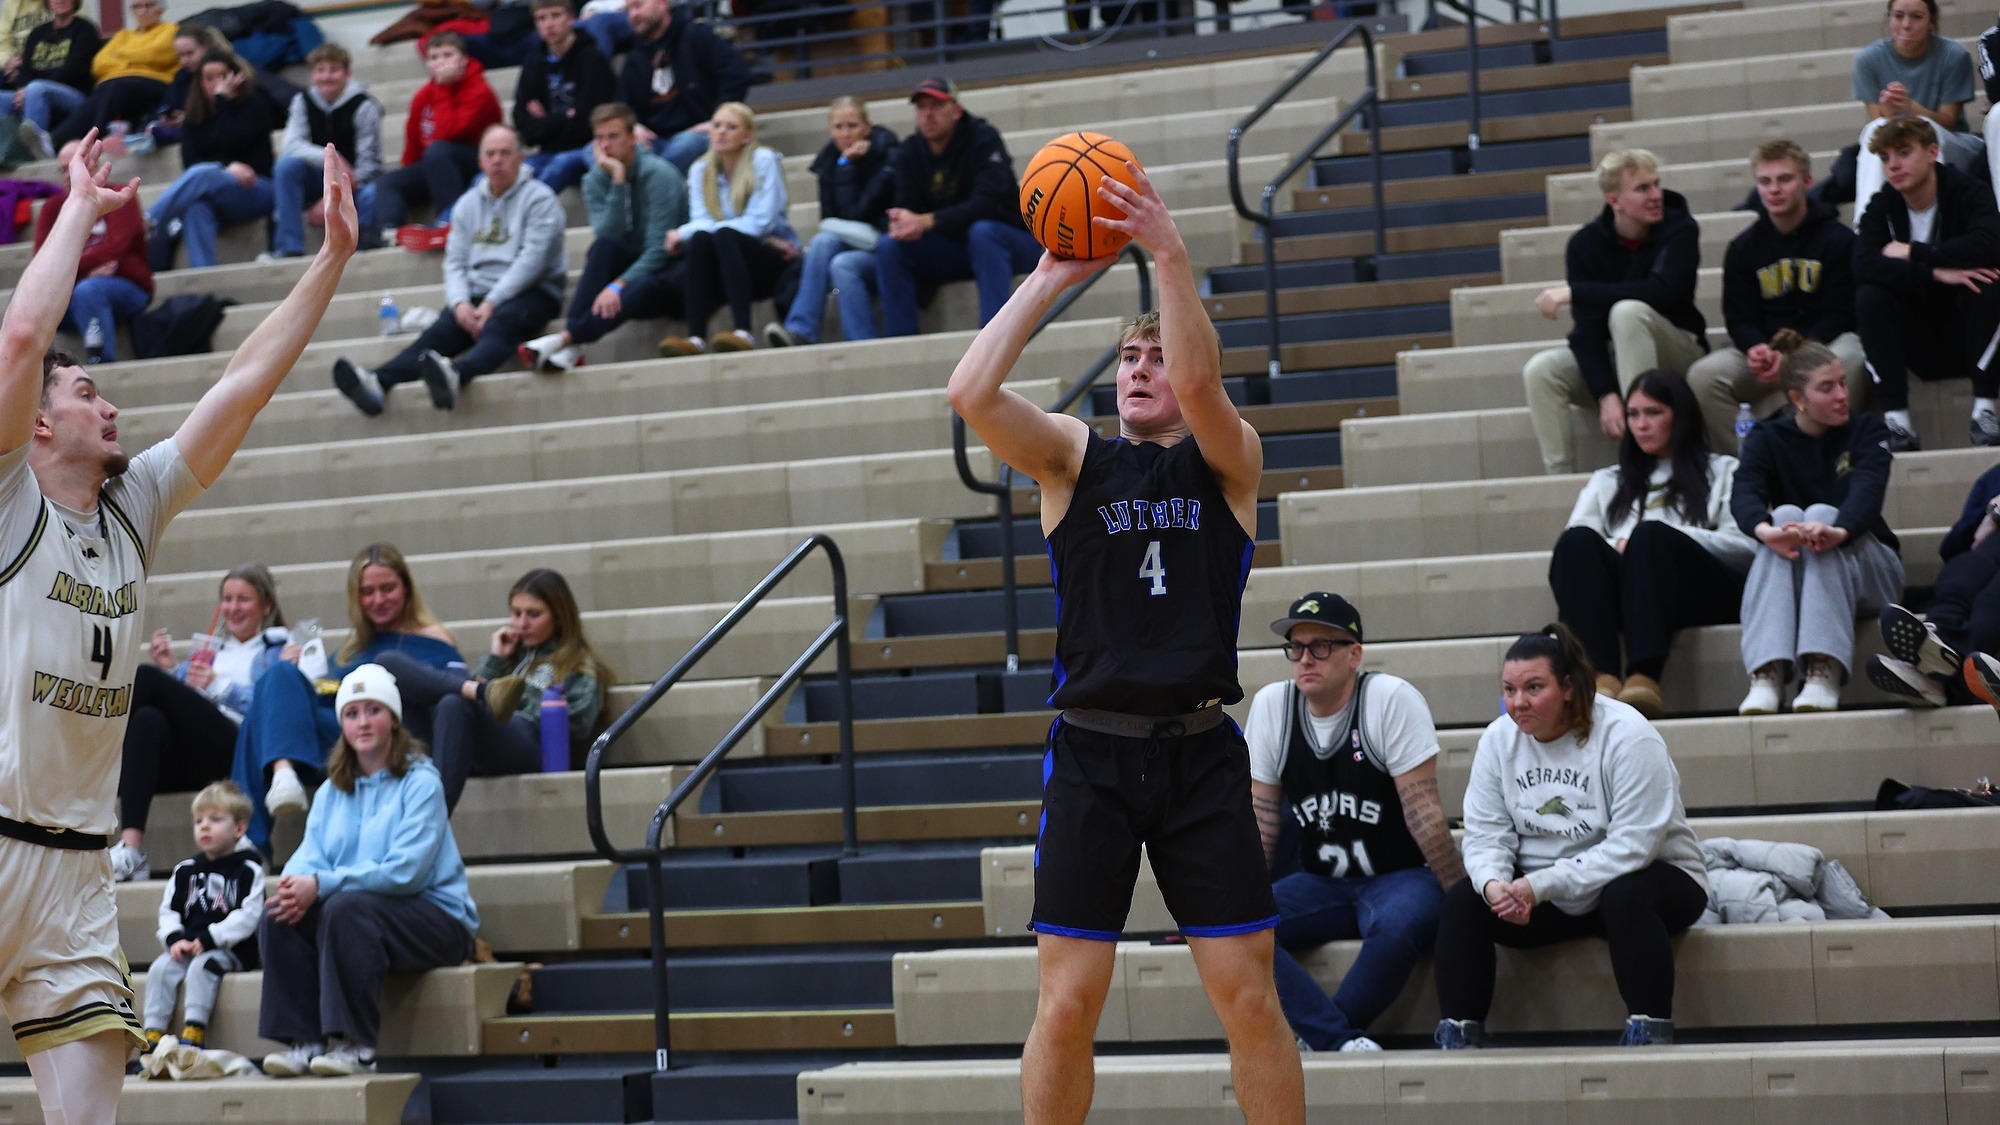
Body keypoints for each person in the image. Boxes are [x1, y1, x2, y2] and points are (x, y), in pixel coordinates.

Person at [0, 132, 353, 1125]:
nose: (110, 407)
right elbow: (23, 342)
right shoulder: (8, 499)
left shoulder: (132, 506)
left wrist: (328, 263)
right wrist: (80, 205)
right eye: (87, 394)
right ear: (36, 424)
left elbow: (240, 383)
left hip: (72, 877)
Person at [946, 162, 1304, 1121]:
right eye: (1127, 362)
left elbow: (1198, 374)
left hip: (1199, 754)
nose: (1142, 373)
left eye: (1154, 362)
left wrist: (1168, 254)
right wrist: (1054, 277)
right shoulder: (1070, 458)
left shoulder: (1229, 461)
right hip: (1095, 751)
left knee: (1250, 996)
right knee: (1067, 1003)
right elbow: (971, 391)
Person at [1434, 625, 1708, 1050]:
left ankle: (1650, 1030)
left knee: (1626, 895)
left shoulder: (1627, 735)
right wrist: (1495, 886)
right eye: (1509, 689)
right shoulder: (1497, 740)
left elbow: (1635, 845)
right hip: (1543, 895)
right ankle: (1458, 1035)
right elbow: (1486, 834)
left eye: (1533, 687)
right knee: (1464, 900)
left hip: (1653, 877)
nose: (1518, 702)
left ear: (1568, 687)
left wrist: (1540, 885)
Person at [1246, 593, 1464, 1054]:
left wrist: (1464, 902)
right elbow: (1261, 821)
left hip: (1400, 878)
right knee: (1237, 928)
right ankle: (1336, 1040)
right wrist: (1237, 900)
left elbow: (1424, 815)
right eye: (1296, 647)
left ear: (1354, 655)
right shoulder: (1272, 707)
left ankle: (1320, 1037)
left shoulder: (1389, 699)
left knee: (1399, 925)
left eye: (1321, 646)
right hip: (1321, 883)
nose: (1305, 658)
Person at [256, 664, 479, 1078]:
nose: (363, 722)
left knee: (344, 908)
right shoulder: (330, 791)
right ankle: (303, 1040)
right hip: (363, 910)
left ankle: (356, 1045)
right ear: (341, 725)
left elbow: (406, 873)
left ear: (393, 719)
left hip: (436, 918)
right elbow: (311, 855)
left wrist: (321, 884)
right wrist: (294, 886)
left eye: (373, 710)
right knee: (279, 914)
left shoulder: (422, 783)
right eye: (352, 713)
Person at [1550, 369, 1757, 720]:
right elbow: (1574, 550)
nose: (1641, 424)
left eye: (1654, 413)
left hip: (1697, 592)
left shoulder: (1724, 470)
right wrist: (1622, 544)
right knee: (1576, 542)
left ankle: (1645, 676)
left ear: (1682, 416)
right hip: (1626, 594)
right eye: (1633, 414)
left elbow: (1745, 548)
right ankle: (1601, 677)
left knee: (1650, 535)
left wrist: (1670, 538)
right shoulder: (1607, 480)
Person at [230, 542, 461, 855]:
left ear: (406, 588)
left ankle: (247, 839)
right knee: (278, 676)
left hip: (385, 737)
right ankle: (282, 777)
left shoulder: (434, 638)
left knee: (261, 711)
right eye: (367, 591)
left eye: (387, 588)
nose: (378, 600)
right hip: (332, 734)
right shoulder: (352, 649)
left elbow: (449, 699)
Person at [334, 125, 567, 415]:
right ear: (480, 160)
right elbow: (454, 261)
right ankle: (377, 381)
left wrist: (492, 302)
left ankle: (457, 374)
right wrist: (460, 303)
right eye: (490, 154)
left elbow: (533, 261)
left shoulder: (541, 199)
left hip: (534, 291)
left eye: (505, 153)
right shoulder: (468, 204)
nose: (497, 160)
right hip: (477, 292)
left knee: (500, 326)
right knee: (438, 334)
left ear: (520, 158)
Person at [1733, 332, 1904, 714]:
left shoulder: (1867, 430)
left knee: (1822, 515)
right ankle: (1768, 672)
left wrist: (1838, 531)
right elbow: (1744, 491)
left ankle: (1822, 670)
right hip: (1801, 566)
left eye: (1843, 383)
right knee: (1785, 518)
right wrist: (1766, 531)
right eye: (1827, 388)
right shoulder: (1767, 436)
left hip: (1874, 570)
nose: (1843, 395)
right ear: (1798, 399)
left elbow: (1867, 490)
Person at [1522, 149, 1707, 476]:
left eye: (1656, 184)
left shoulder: (1680, 228)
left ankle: (1644, 463)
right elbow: (1587, 331)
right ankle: (1559, 477)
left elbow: (1662, 291)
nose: (1655, 196)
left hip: (1678, 350)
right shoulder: (1585, 244)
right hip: (1616, 354)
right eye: (1642, 189)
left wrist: (1577, 292)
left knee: (1627, 312)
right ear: (1614, 201)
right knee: (1542, 370)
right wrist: (1606, 393)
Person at [1685, 140, 1866, 455]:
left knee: (1852, 357)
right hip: (1767, 355)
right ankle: (1756, 457)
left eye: (1785, 179)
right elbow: (1739, 317)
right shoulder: (1743, 247)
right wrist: (1756, 348)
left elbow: (1841, 313)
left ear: (1807, 182)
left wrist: (1797, 356)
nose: (1774, 190)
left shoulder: (1838, 240)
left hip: (1822, 345)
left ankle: (1821, 450)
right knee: (1704, 376)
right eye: (1765, 182)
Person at [375, 568, 609, 809]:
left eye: (534, 614)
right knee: (386, 664)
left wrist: (520, 705)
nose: (522, 623)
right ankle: (477, 692)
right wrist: (495, 660)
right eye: (516, 614)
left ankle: (432, 818)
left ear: (559, 617)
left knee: (455, 703)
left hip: (531, 742)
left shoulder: (577, 663)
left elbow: (579, 724)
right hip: (478, 735)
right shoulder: (508, 657)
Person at [114, 563, 289, 882]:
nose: (233, 608)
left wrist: (221, 687)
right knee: (146, 720)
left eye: (243, 599)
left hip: (237, 749)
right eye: (227, 599)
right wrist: (173, 670)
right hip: (194, 755)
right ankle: (131, 848)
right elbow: (190, 703)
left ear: (267, 605)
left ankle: (102, 769)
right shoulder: (213, 649)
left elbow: (274, 709)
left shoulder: (279, 650)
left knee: (145, 677)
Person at [1852, 114, 2000, 451]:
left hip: (1968, 332)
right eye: (1886, 157)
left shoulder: (1966, 191)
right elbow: (1862, 266)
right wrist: (1934, 272)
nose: (1894, 165)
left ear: (1933, 152)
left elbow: (1990, 244)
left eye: (1904, 153)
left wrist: (1916, 252)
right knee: (1869, 297)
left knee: (1989, 282)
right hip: (1916, 339)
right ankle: (1897, 423)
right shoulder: (1883, 205)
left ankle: (1984, 411)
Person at [518, 102, 686, 373]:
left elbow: (659, 250)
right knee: (603, 248)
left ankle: (567, 339)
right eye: (599, 138)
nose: (606, 145)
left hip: (669, 274)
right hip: (633, 271)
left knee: (643, 282)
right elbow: (607, 235)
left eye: (614, 136)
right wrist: (618, 181)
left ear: (632, 138)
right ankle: (572, 347)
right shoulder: (596, 179)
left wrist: (618, 284)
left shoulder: (659, 175)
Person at [877, 77, 1041, 337]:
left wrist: (928, 221)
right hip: (953, 250)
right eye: (921, 108)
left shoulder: (982, 137)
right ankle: (901, 339)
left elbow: (989, 203)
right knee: (890, 245)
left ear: (956, 110)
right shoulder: (909, 151)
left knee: (983, 232)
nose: (928, 115)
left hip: (1008, 242)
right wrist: (904, 222)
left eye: (936, 106)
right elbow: (906, 206)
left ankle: (995, 336)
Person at [656, 102, 795, 356]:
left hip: (774, 263)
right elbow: (699, 220)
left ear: (747, 135)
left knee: (722, 235)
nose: (721, 132)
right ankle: (696, 337)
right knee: (700, 239)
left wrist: (683, 231)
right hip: (726, 263)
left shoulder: (763, 160)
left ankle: (743, 331)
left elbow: (760, 222)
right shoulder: (700, 168)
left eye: (731, 127)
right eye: (717, 125)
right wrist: (692, 231)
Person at [763, 95, 897, 348]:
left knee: (842, 262)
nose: (846, 133)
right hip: (850, 244)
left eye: (852, 126)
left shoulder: (887, 155)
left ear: (868, 127)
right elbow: (831, 219)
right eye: (839, 127)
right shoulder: (827, 162)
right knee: (827, 247)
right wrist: (841, 164)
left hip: (885, 246)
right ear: (829, 130)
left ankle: (860, 344)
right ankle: (801, 329)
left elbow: (860, 210)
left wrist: (846, 166)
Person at [140, 781, 263, 1053]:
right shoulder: (185, 871)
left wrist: (211, 938)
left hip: (228, 949)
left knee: (202, 967)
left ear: (239, 829)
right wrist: (175, 939)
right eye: (199, 821)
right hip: (189, 945)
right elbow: (169, 911)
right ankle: (152, 1033)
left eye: (215, 820)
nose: (204, 826)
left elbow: (248, 915)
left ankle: (194, 1029)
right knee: (160, 968)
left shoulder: (248, 870)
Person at [1866, 467, 2000, 706]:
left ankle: (1940, 667)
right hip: (1984, 558)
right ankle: (1936, 651)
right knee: (1965, 566)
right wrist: (1992, 514)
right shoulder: (1994, 477)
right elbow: (1954, 548)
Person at [143, 49, 282, 269]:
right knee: (195, 208)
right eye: (209, 78)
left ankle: (150, 219)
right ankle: (205, 277)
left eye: (223, 76)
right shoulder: (194, 117)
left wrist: (222, 102)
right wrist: (226, 167)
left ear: (236, 76)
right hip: (220, 192)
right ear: (199, 82)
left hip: (259, 186)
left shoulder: (253, 104)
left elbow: (233, 141)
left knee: (204, 173)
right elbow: (190, 164)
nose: (217, 84)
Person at [369, 33, 501, 251]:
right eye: (434, 57)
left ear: (464, 59)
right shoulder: (423, 96)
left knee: (439, 151)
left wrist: (442, 88)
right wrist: (410, 175)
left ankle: (449, 223)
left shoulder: (480, 90)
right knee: (388, 182)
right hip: (438, 164)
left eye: (448, 55)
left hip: (477, 161)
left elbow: (448, 131)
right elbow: (413, 142)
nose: (441, 62)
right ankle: (390, 234)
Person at [1854, 0, 1981, 209]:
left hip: (1954, 141)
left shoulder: (1954, 55)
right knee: (1875, 129)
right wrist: (1889, 112)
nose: (1906, 25)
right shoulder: (1868, 59)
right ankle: (1866, 221)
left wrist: (1910, 108)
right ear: (1889, 18)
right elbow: (1879, 129)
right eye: (1898, 16)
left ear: (1932, 21)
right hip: (1901, 141)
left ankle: (1936, 218)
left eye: (1916, 17)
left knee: (1925, 128)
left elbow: (1948, 121)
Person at [31, 139, 146, 365]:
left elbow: (115, 248)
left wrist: (69, 268)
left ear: (94, 165)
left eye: (74, 167)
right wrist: (84, 271)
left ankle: (100, 363)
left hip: (126, 287)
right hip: (72, 294)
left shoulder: (119, 196)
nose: (67, 175)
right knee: (23, 298)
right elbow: (42, 262)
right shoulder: (53, 207)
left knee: (89, 291)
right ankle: (36, 371)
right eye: (63, 169)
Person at [264, 43, 382, 262]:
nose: (326, 77)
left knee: (374, 192)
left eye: (334, 70)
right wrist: (333, 158)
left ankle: (362, 246)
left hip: (356, 183)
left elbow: (369, 166)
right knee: (286, 166)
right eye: (320, 70)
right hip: (321, 178)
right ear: (312, 75)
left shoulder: (365, 106)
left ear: (347, 74)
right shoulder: (303, 101)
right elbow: (291, 145)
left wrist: (334, 197)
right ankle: (288, 247)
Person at [615, 0, 751, 173]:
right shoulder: (635, 56)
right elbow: (622, 103)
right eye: (628, 10)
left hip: (699, 131)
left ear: (662, 4)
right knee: (598, 149)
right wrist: (633, 126)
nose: (633, 15)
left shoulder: (696, 35)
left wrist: (717, 121)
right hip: (654, 139)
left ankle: (650, 182)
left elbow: (737, 75)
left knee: (688, 143)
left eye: (638, 6)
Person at [515, 0, 615, 195]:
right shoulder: (533, 64)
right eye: (542, 18)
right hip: (546, 152)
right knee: (490, 177)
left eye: (555, 15)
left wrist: (545, 122)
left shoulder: (592, 59)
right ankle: (444, 223)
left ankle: (524, 213)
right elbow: (525, 128)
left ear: (571, 18)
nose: (549, 24)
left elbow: (589, 122)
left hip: (586, 149)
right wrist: (562, 118)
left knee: (559, 164)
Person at [47, 0, 171, 147]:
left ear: (160, 10)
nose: (143, 11)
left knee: (115, 88)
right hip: (115, 84)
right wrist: (134, 60)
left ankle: (96, 141)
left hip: (155, 82)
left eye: (148, 6)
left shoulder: (170, 30)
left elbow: (157, 55)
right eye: (137, 7)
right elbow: (99, 64)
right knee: (98, 97)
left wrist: (121, 54)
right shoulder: (123, 35)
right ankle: (54, 141)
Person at [10, 0, 97, 161]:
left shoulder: (85, 29)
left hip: (74, 95)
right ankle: (6, 151)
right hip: (33, 90)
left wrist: (29, 90)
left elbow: (74, 70)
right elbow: (25, 68)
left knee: (37, 89)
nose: (59, 1)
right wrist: (22, 90)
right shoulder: (37, 33)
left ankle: (37, 152)